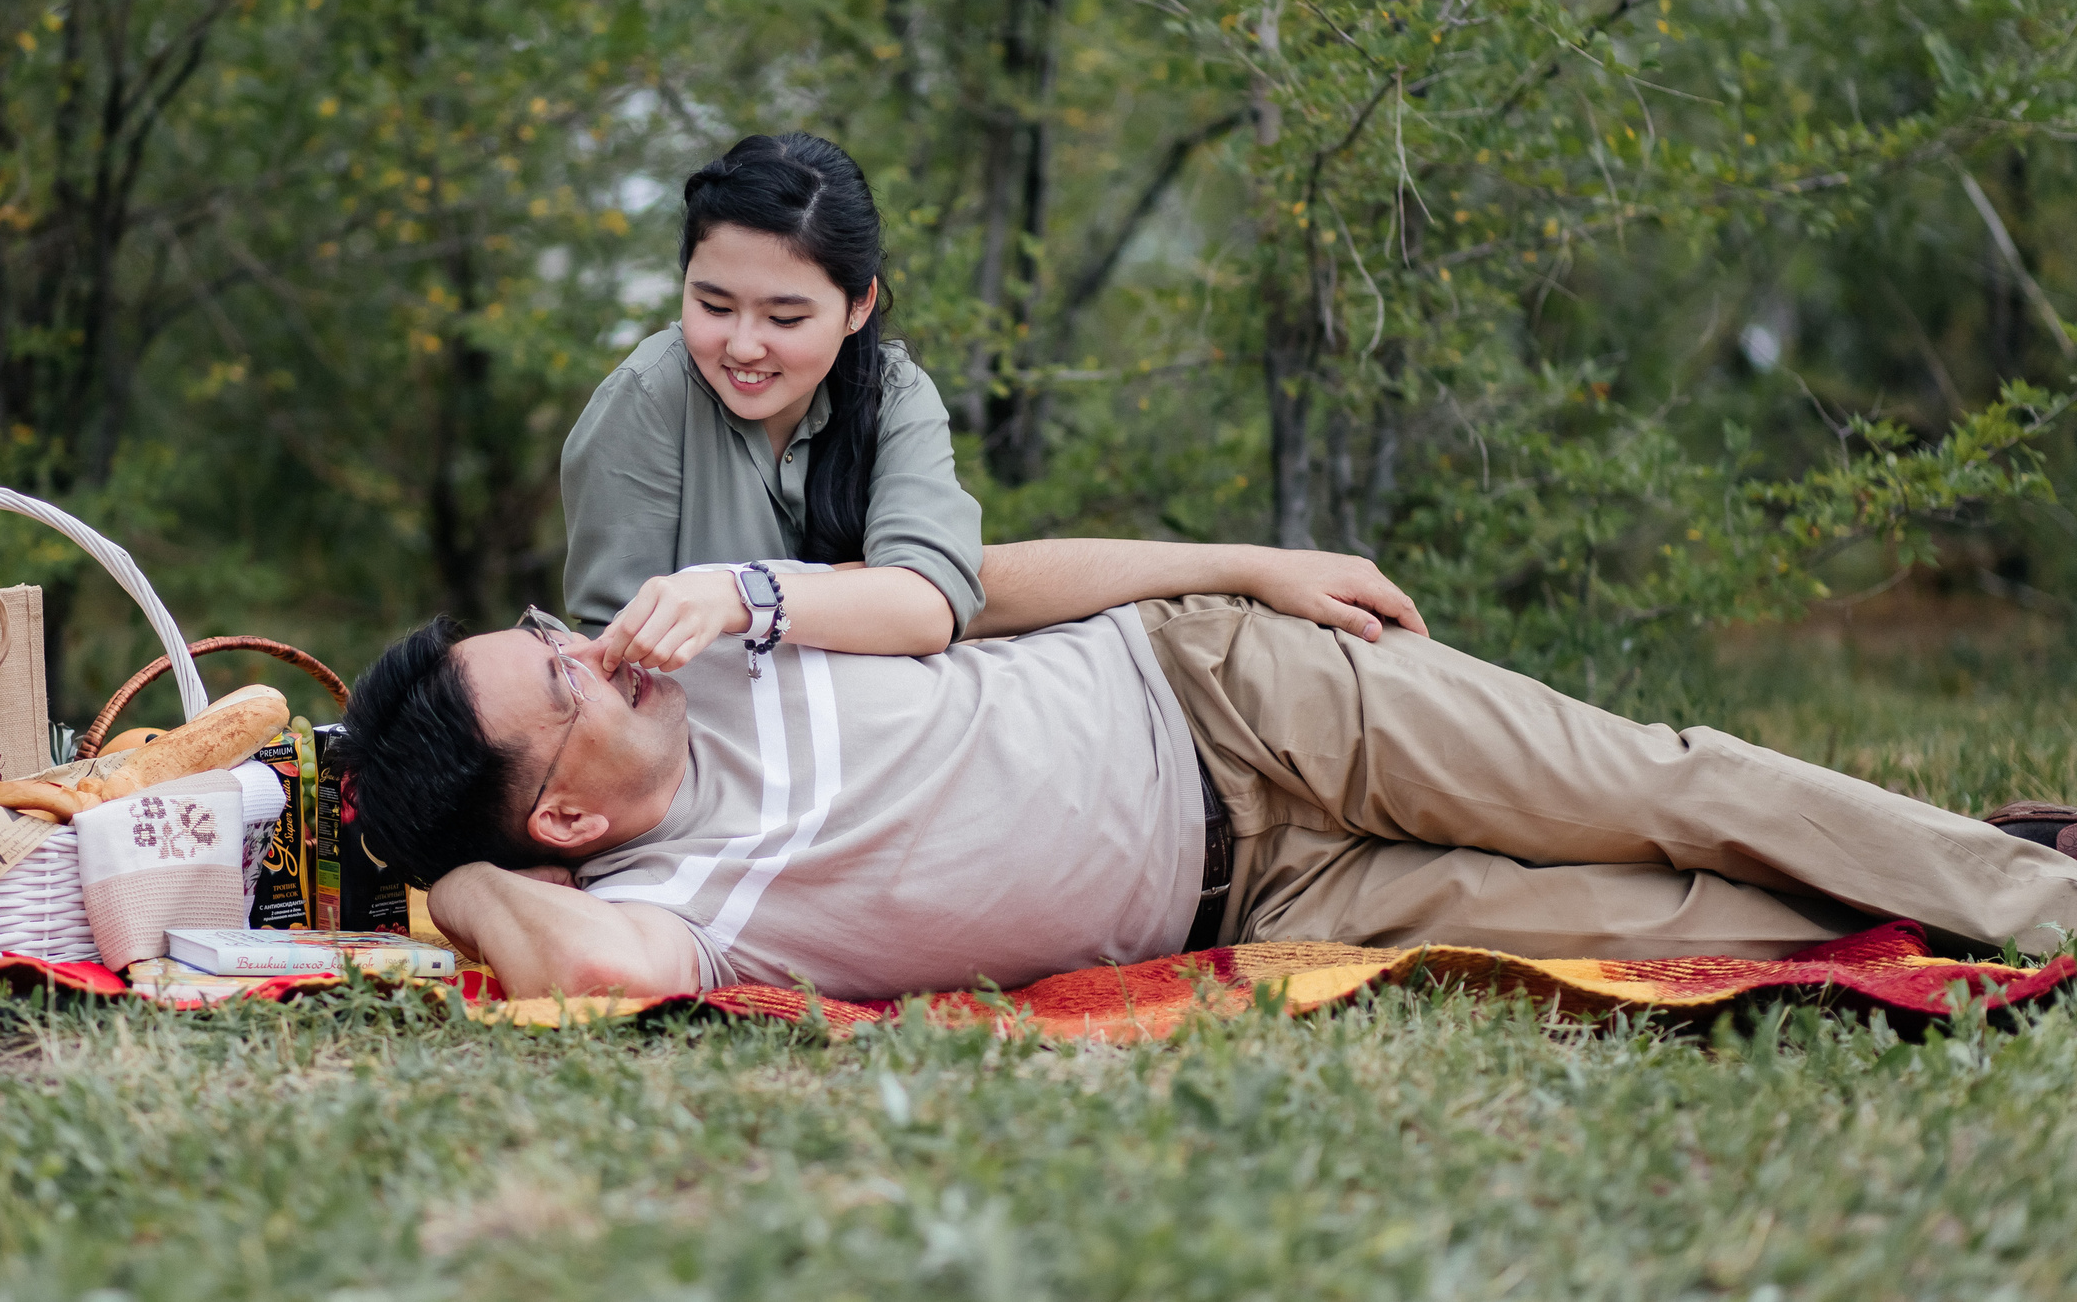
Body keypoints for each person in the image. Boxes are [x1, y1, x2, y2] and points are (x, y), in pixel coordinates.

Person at [327, 537, 2077, 1003]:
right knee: (1670, 915)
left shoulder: (725, 623)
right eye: (557, 673)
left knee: (1659, 779)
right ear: (563, 812)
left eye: (554, 622)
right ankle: (1944, 861)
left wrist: (1242, 568)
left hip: (1233, 693)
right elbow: (566, 957)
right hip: (1271, 891)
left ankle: (2044, 894)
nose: (592, 643)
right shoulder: (672, 904)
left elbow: (982, 589)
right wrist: (453, 876)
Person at [558, 132, 984, 669]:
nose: (742, 346)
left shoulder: (894, 391)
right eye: (714, 306)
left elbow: (924, 606)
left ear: (859, 305)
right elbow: (618, 655)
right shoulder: (647, 397)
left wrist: (738, 597)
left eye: (785, 319)